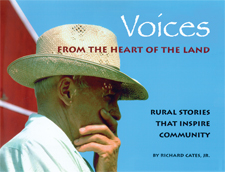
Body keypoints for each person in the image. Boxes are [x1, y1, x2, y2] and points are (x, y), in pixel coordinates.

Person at [0, 24, 148, 172]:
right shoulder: (35, 148)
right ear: (67, 91)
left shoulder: (47, 151)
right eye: (109, 97)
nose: (117, 114)